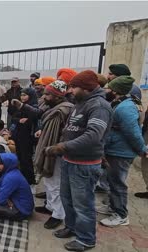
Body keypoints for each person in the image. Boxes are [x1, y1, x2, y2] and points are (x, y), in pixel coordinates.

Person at [46, 70, 112, 251]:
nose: (71, 90)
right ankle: (72, 227)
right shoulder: (80, 103)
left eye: (73, 87)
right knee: (67, 199)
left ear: (86, 87)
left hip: (84, 164)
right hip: (69, 160)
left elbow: (93, 136)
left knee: (83, 204)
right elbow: (73, 128)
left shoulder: (99, 106)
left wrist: (62, 147)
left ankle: (86, 239)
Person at [15, 80, 74, 229]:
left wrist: (55, 145)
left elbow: (65, 133)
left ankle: (58, 215)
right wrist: (43, 131)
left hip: (56, 152)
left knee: (55, 183)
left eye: (48, 94)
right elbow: (40, 115)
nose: (44, 97)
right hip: (48, 147)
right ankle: (50, 207)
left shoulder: (64, 110)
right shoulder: (52, 106)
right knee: (48, 181)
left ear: (57, 96)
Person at [97, 76, 147, 227]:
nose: (105, 90)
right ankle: (113, 207)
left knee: (118, 184)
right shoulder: (121, 103)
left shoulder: (125, 108)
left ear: (115, 91)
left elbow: (133, 132)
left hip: (121, 152)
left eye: (108, 88)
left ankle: (121, 215)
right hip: (116, 149)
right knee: (113, 182)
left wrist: (142, 150)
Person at [0, 153, 34, 220]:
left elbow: (0, 200)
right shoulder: (13, 171)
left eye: (0, 164)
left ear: (8, 164)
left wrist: (6, 200)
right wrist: (7, 200)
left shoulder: (10, 177)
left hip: (21, 211)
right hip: (23, 206)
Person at [10, 87, 38, 187]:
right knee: (20, 157)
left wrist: (26, 119)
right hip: (19, 135)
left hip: (27, 136)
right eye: (21, 95)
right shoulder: (18, 106)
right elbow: (13, 118)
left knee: (27, 158)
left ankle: (30, 179)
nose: (22, 97)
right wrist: (19, 120)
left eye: (25, 95)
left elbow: (33, 119)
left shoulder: (33, 106)